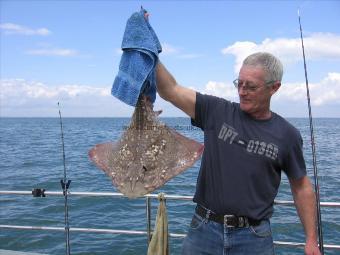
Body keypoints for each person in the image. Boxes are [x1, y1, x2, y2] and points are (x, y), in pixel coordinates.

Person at [156, 52, 321, 255]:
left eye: (251, 86)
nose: (242, 92)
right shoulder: (216, 111)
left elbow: (302, 188)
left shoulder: (287, 135)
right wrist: (150, 52)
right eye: (239, 83)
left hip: (253, 237)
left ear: (274, 87)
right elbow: (170, 90)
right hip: (203, 230)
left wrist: (311, 240)